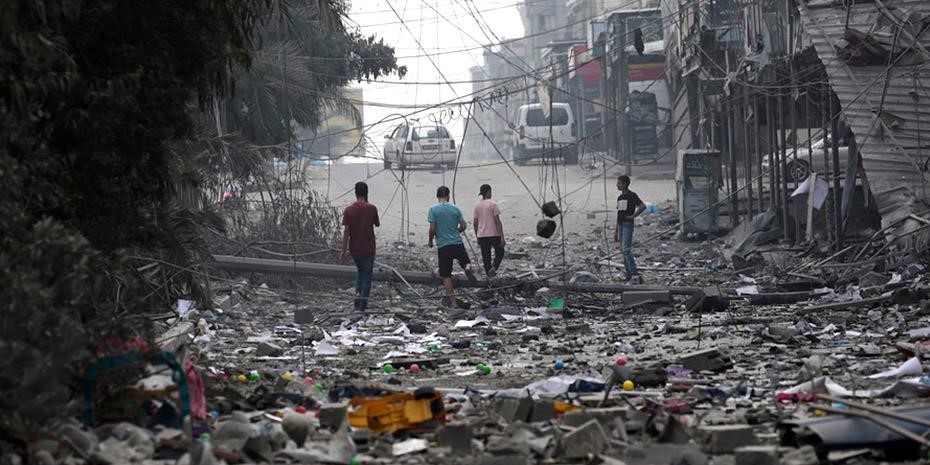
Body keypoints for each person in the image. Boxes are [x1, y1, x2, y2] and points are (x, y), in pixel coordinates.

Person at [428, 185, 476, 307]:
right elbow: (464, 225)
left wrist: (430, 240)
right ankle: (468, 269)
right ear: (448, 196)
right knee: (466, 262)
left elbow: (432, 228)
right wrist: (456, 232)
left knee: (446, 275)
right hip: (457, 243)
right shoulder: (455, 208)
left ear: (437, 196)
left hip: (443, 246)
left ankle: (453, 303)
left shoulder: (433, 209)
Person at [341, 182, 380, 311]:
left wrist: (343, 251)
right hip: (368, 248)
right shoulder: (371, 208)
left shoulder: (348, 210)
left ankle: (358, 296)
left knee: (360, 271)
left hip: (354, 248)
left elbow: (346, 232)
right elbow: (377, 223)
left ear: (355, 192)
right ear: (366, 192)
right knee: (367, 275)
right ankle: (363, 305)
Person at [615, 175, 646, 283]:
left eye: (619, 183)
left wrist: (633, 216)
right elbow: (619, 214)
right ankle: (628, 274)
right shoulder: (620, 197)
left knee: (626, 250)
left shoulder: (632, 195)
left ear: (624, 184)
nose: (617, 185)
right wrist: (616, 232)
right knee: (623, 251)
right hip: (621, 224)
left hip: (628, 224)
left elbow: (642, 206)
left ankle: (635, 274)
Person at [473, 183, 505, 277]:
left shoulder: (477, 205)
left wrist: (477, 236)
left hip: (482, 235)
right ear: (489, 192)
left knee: (486, 257)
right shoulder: (493, 204)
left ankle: (489, 276)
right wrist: (502, 237)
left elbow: (475, 222)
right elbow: (497, 222)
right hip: (494, 234)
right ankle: (494, 268)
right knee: (500, 252)